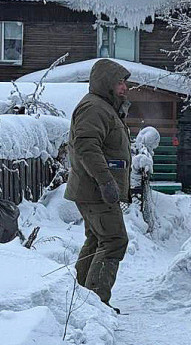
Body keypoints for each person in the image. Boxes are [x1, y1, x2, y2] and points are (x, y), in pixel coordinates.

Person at [65, 59, 132, 312]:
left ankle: (82, 300)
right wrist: (105, 181)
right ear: (106, 83)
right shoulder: (94, 108)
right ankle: (96, 304)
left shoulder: (104, 107)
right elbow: (86, 147)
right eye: (119, 82)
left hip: (93, 189)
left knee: (96, 240)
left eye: (125, 81)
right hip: (95, 190)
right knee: (114, 240)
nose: (124, 87)